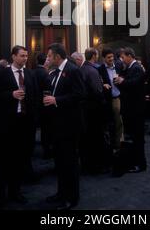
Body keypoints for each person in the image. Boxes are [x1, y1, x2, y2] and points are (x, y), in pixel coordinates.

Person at [0, 46, 38, 208]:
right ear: (13, 56)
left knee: (20, 161)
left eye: (26, 56)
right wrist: (10, 95)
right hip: (7, 124)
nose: (25, 58)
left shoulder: (30, 74)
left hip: (24, 124)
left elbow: (35, 97)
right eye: (22, 56)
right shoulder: (2, 74)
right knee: (3, 162)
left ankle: (15, 192)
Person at [44, 43, 85, 210]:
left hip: (70, 126)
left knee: (70, 163)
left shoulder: (73, 70)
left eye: (49, 56)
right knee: (60, 162)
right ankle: (61, 193)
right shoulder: (55, 72)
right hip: (58, 126)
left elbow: (80, 94)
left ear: (57, 57)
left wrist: (57, 100)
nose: (47, 58)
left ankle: (72, 198)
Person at [115, 47, 147, 173]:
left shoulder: (136, 68)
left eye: (123, 58)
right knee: (134, 137)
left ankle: (140, 164)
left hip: (136, 109)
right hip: (131, 109)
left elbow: (135, 84)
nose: (122, 60)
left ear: (129, 56)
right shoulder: (129, 68)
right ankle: (135, 162)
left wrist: (122, 82)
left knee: (138, 137)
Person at [80, 48, 107, 173]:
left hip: (85, 110)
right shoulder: (92, 71)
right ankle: (96, 165)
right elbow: (97, 91)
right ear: (94, 56)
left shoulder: (81, 69)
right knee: (96, 137)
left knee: (87, 138)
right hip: (94, 110)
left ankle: (87, 164)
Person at [98, 48, 124, 152]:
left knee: (118, 121)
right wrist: (102, 84)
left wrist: (122, 80)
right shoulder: (100, 69)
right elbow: (98, 83)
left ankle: (118, 145)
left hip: (117, 98)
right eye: (108, 57)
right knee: (109, 123)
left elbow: (125, 77)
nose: (111, 59)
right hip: (107, 99)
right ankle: (110, 145)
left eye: (112, 57)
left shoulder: (118, 66)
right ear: (103, 58)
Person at [33, 53, 52, 159]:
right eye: (48, 60)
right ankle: (47, 150)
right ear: (45, 61)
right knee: (46, 129)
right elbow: (48, 90)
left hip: (35, 104)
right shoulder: (45, 74)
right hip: (45, 105)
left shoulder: (32, 72)